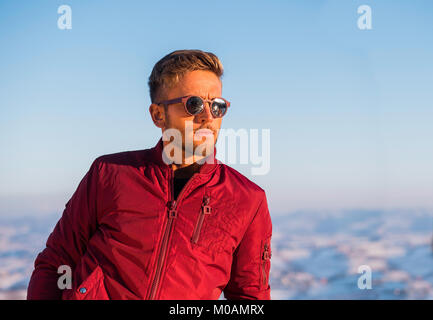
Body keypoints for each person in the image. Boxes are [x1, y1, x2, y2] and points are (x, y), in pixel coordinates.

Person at [27, 49, 273, 300]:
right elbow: (57, 263)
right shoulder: (109, 174)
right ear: (158, 115)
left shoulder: (248, 200)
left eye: (218, 106)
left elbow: (250, 299)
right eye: (194, 104)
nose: (208, 117)